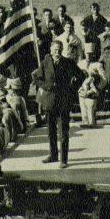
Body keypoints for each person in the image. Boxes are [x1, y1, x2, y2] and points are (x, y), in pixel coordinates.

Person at [31, 39, 81, 168]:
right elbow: (36, 78)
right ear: (50, 50)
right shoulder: (45, 63)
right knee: (51, 130)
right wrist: (46, 86)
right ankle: (53, 155)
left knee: (64, 131)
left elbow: (81, 76)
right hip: (49, 101)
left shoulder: (68, 63)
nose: (57, 52)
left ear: (62, 50)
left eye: (59, 49)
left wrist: (72, 89)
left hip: (63, 101)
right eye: (54, 49)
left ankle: (63, 160)